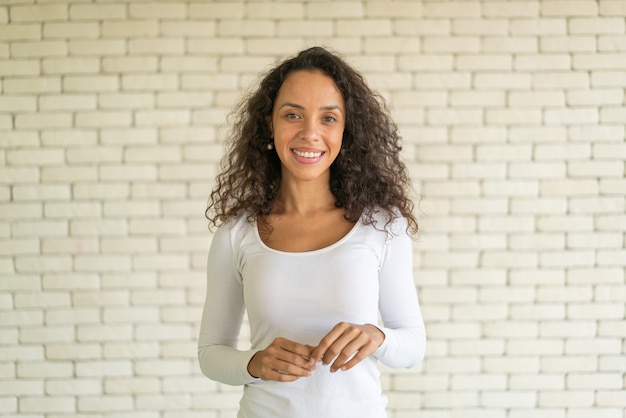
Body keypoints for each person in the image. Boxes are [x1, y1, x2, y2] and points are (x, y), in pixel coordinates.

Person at [198, 46, 426, 418]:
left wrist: (377, 337)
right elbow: (210, 354)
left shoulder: (382, 226)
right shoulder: (236, 234)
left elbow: (413, 345)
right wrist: (254, 364)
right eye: (293, 115)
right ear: (268, 125)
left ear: (346, 131)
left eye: (329, 118)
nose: (310, 133)